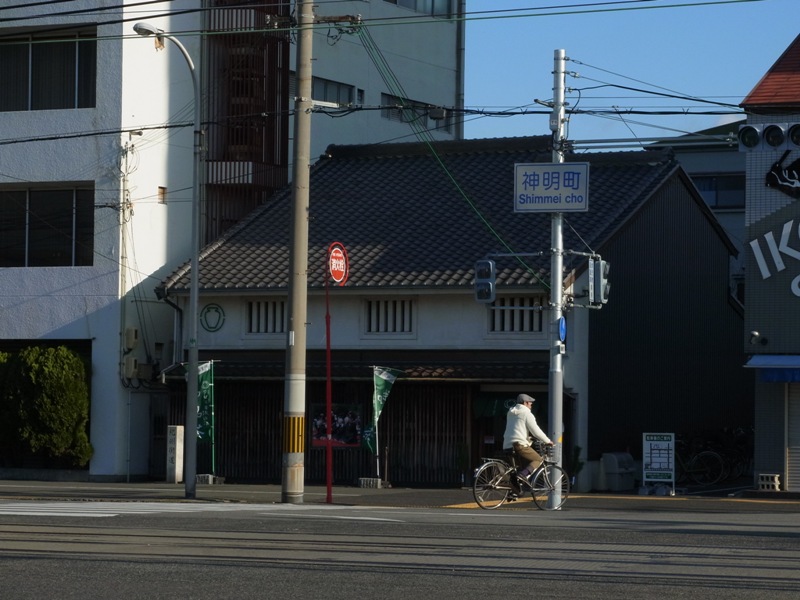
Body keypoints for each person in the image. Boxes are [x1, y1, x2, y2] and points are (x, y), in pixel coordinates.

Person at [502, 393, 555, 495]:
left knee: (516, 469)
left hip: (507, 444)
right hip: (519, 445)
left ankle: (514, 492)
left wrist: (527, 437)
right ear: (525, 403)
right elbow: (536, 431)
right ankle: (523, 476)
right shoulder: (526, 413)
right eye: (530, 403)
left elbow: (517, 429)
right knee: (538, 459)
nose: (531, 405)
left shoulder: (510, 412)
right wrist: (548, 441)